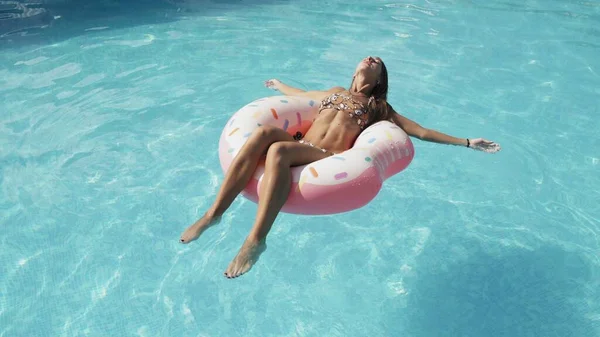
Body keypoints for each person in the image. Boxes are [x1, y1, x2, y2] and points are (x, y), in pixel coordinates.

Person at [180, 56, 501, 279]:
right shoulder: (335, 92)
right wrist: (280, 86)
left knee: (278, 150)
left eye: (377, 63)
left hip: (325, 154)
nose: (371, 59)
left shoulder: (379, 107)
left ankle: (255, 240)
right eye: (368, 58)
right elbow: (303, 95)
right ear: (355, 72)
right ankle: (214, 214)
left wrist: (468, 141)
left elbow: (421, 131)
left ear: (379, 80)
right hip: (302, 145)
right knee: (265, 133)